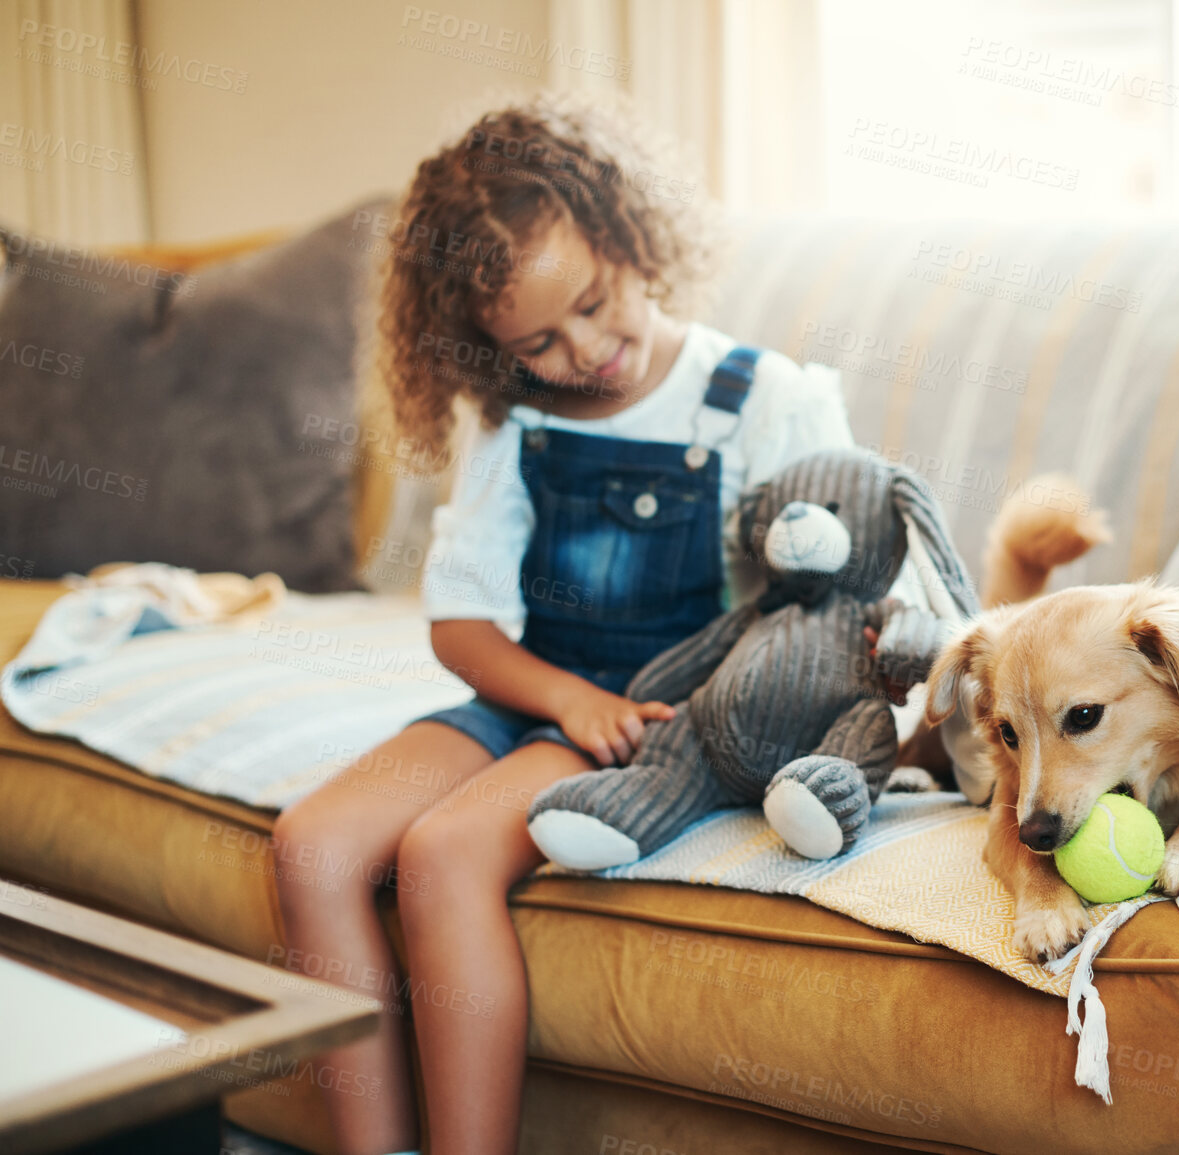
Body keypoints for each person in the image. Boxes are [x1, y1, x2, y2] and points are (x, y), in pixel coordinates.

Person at [271, 92, 930, 1155]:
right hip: (530, 696)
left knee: (442, 858)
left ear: (629, 234)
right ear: (488, 345)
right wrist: (559, 699)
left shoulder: (764, 399)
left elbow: (835, 587)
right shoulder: (510, 418)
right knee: (310, 849)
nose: (586, 349)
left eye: (594, 299)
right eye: (540, 339)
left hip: (660, 714)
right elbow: (463, 628)